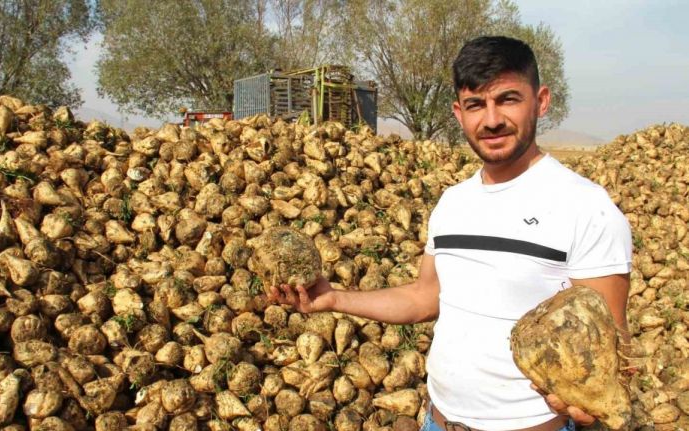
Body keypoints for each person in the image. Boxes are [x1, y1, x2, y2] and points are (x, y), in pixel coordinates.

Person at [269, 35, 632, 431]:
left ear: (541, 101)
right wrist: (334, 297)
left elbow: (611, 349)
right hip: (436, 421)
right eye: (476, 104)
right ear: (459, 113)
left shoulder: (586, 207)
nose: (491, 119)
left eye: (508, 99)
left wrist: (588, 406)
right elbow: (425, 297)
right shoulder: (453, 202)